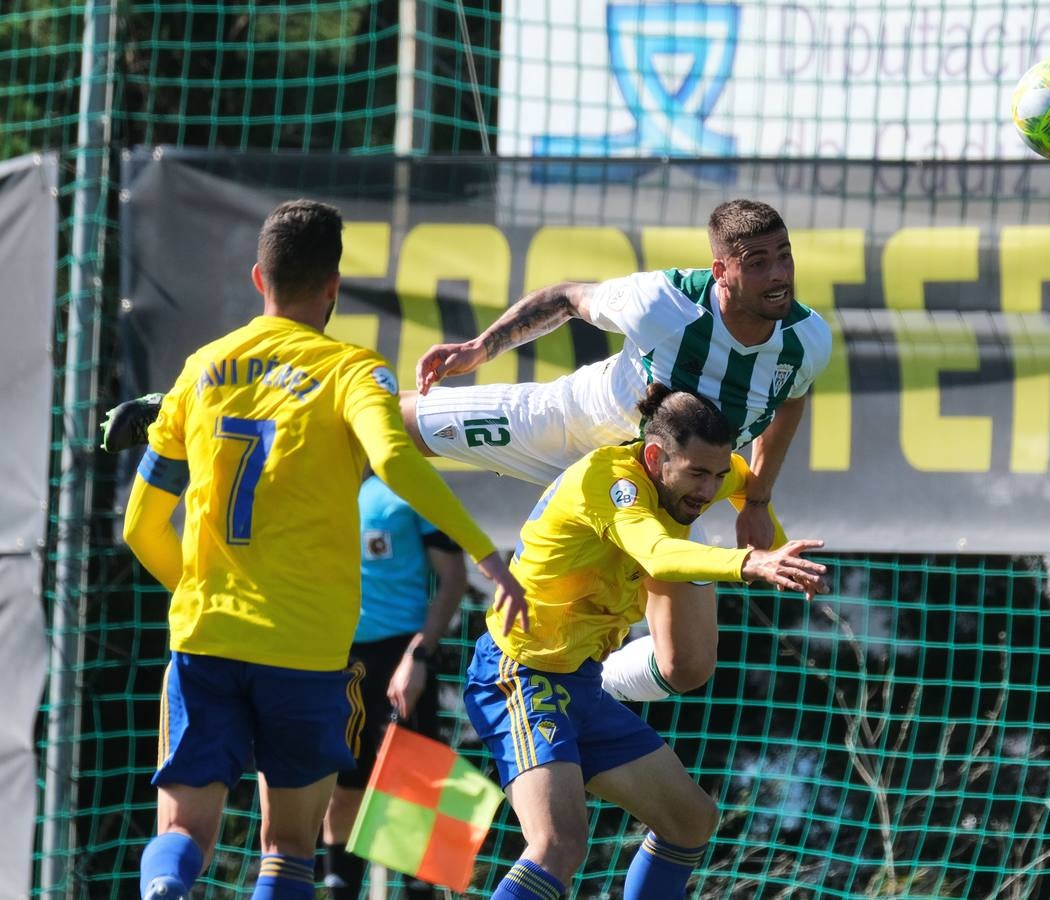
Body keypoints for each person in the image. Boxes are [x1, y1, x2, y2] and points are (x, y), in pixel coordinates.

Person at [103, 198, 831, 703]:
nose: (779, 275)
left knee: (688, 666)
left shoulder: (807, 340)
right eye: (759, 262)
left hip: (642, 492)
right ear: (723, 268)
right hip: (564, 425)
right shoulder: (663, 302)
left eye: (785, 257)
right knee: (385, 421)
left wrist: (758, 497)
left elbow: (792, 395)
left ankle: (591, 683)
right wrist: (483, 346)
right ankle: (174, 406)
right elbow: (566, 295)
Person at [120, 199, 526, 900]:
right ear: (334, 286)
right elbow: (397, 462)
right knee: (289, 852)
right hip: (309, 652)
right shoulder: (353, 371)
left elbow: (139, 528)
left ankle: (164, 892)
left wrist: (200, 593)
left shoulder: (200, 369)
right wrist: (489, 556)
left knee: (184, 835)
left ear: (258, 278)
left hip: (211, 638)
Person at [464, 384, 828, 900]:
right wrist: (752, 562)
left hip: (580, 685)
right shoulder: (613, 483)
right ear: (655, 457)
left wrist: (761, 513)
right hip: (519, 676)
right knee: (558, 845)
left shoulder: (701, 475)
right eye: (697, 475)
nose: (708, 491)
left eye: (716, 475)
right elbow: (655, 554)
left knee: (690, 820)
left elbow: (746, 481)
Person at [321, 475, 467, 900]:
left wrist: (418, 656)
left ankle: (422, 890)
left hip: (401, 658)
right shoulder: (325, 479)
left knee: (415, 796)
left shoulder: (413, 485)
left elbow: (453, 578)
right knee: (343, 788)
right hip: (337, 660)